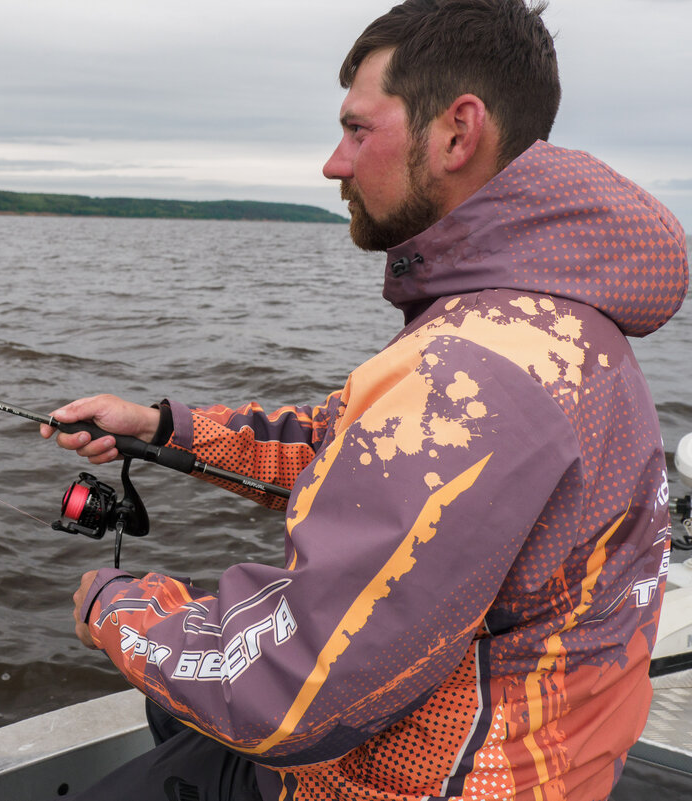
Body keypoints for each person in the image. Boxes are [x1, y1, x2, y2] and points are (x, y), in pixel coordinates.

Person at [41, 1, 690, 799]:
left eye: (357, 130)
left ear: (457, 132)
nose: (333, 164)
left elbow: (289, 693)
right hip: (550, 756)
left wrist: (120, 605)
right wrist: (164, 428)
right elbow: (353, 449)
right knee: (178, 722)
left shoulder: (471, 374)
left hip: (417, 781)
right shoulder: (550, 319)